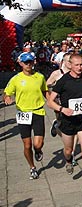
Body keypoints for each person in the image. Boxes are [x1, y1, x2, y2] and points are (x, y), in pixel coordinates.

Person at [46, 53, 82, 200]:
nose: (80, 67)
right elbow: (50, 102)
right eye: (77, 65)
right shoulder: (63, 81)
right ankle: (69, 160)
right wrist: (62, 110)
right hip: (68, 121)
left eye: (81, 64)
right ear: (70, 65)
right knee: (69, 150)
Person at [3, 52, 48, 180]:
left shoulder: (40, 77)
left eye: (31, 62)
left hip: (38, 111)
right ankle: (32, 167)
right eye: (26, 62)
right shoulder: (16, 79)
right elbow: (6, 93)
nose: (29, 64)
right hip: (23, 113)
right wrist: (7, 98)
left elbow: (45, 91)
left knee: (38, 144)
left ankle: (38, 151)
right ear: (21, 63)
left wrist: (52, 102)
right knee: (27, 145)